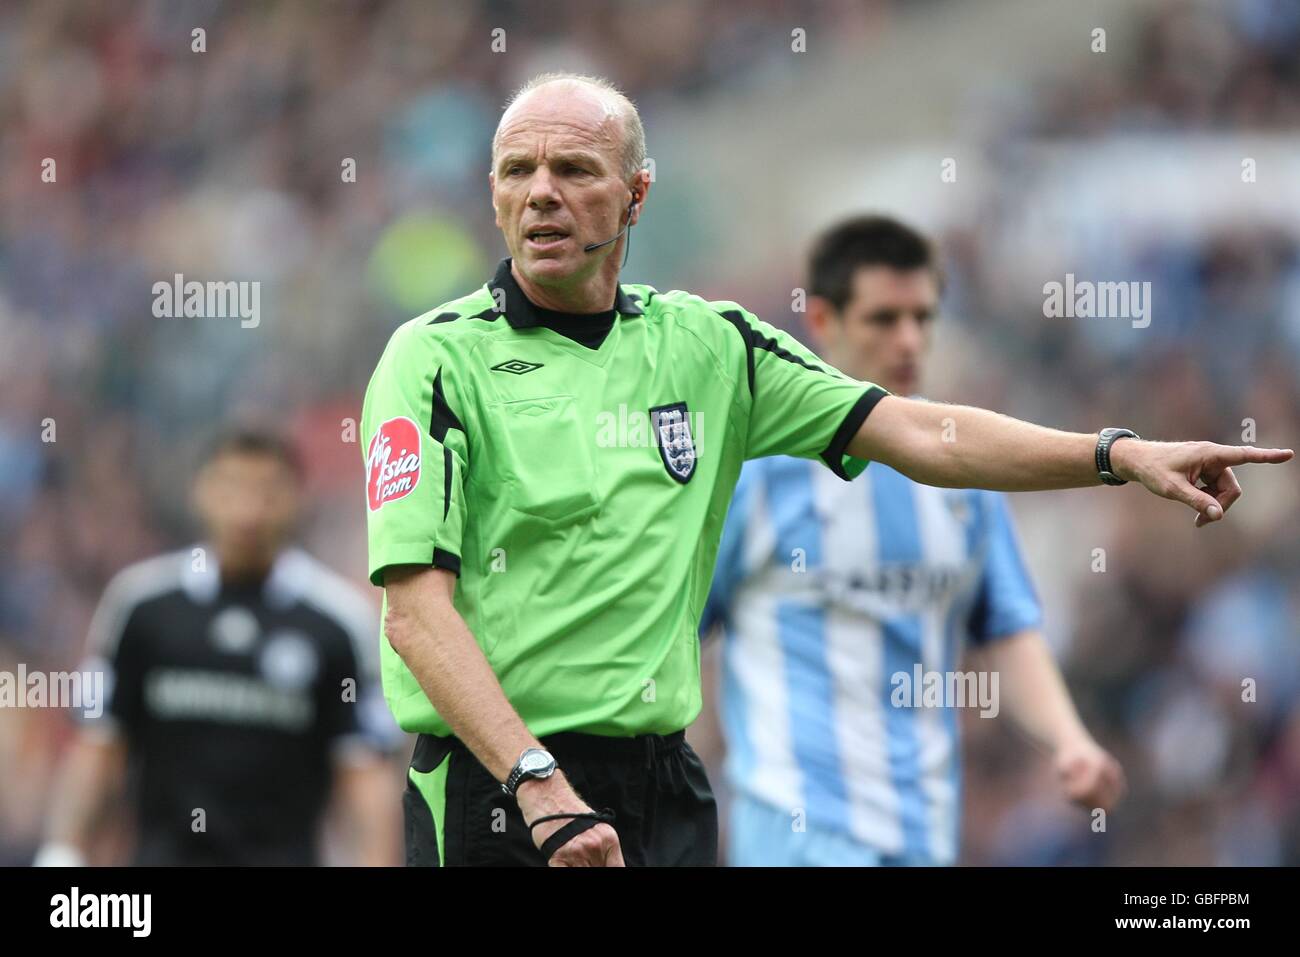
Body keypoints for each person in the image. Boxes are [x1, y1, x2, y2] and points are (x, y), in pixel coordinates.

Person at [362, 72, 1292, 868]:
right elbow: (414, 612)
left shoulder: (710, 347)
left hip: (663, 785)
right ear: (492, 194)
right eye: (518, 171)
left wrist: (1115, 453)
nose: (541, 194)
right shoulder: (434, 360)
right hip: (501, 786)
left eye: (573, 169)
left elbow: (930, 436)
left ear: (638, 194)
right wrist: (537, 783)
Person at [702, 215, 1124, 866]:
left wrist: (1069, 740)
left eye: (922, 318)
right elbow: (677, 624)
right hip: (796, 832)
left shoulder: (964, 475)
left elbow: (1007, 626)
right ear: (822, 321)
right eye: (883, 318)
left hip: (923, 833)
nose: (908, 340)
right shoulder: (755, 471)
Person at [37, 428, 401, 866]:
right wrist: (62, 852)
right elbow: (99, 746)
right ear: (201, 492)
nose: (248, 510)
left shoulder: (337, 622)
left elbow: (363, 775)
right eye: (232, 488)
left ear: (296, 499)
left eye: (267, 491)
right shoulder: (143, 606)